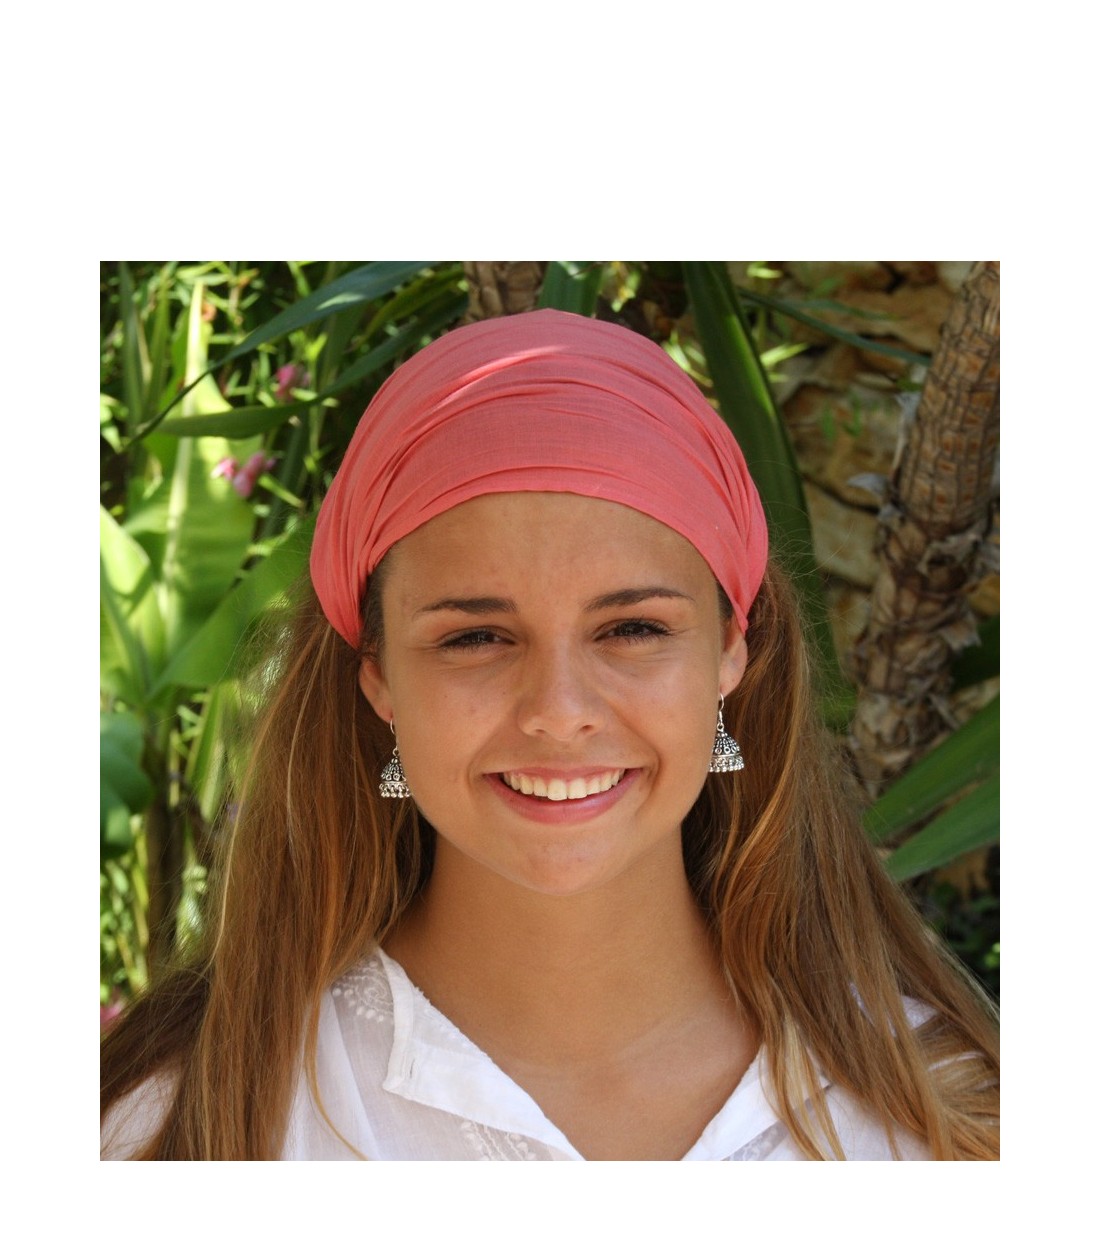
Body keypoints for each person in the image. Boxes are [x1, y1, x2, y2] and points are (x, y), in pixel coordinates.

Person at [101, 309, 999, 1161]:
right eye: (475, 638)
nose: (560, 709)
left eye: (633, 629)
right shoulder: (180, 1122)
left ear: (732, 650)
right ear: (377, 675)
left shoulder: (956, 1122)